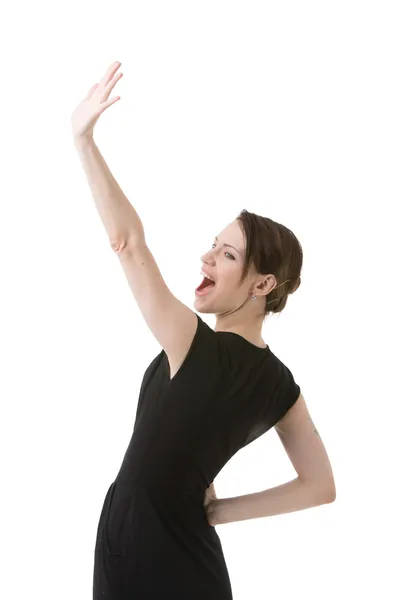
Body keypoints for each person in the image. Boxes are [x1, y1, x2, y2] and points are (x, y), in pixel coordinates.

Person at [72, 61, 336, 600]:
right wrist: (214, 511)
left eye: (228, 254)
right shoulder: (281, 385)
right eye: (214, 245)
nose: (207, 258)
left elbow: (128, 244)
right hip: (167, 542)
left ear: (263, 285)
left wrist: (84, 140)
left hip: (146, 542)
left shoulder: (197, 345)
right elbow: (320, 487)